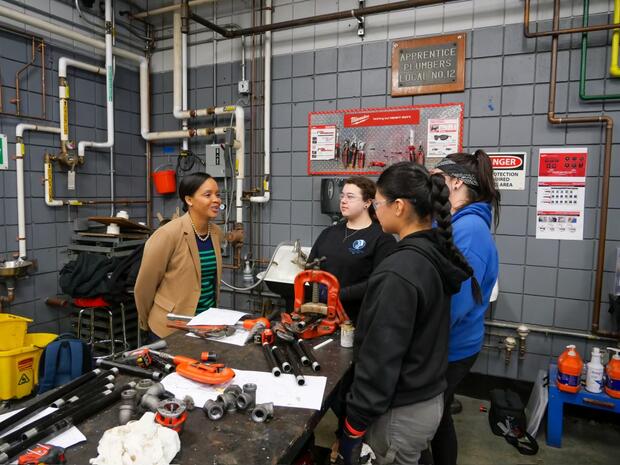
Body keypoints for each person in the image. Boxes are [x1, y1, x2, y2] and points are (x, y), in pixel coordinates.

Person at [338, 162, 479, 465]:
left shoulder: (398, 271)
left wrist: (355, 422)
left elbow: (381, 356)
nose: (375, 210)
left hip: (399, 410)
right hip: (428, 398)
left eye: (376, 203)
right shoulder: (433, 255)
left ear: (399, 206)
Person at [424, 151, 500, 465]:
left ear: (455, 183)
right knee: (438, 418)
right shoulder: (458, 222)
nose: (432, 188)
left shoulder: (468, 232)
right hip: (451, 344)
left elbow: (455, 304)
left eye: (436, 180)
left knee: (430, 421)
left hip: (451, 347)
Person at [135, 172, 223, 339]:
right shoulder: (168, 234)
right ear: (189, 200)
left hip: (205, 326)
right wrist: (146, 324)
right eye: (208, 195)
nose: (216, 200)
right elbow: (144, 287)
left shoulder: (216, 234)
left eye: (217, 195)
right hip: (169, 328)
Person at [308, 176, 396, 324]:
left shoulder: (381, 238)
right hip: (323, 315)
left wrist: (338, 294)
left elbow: (379, 282)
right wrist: (318, 289)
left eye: (350, 197)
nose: (343, 200)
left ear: (367, 203)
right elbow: (310, 266)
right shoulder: (329, 233)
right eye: (342, 196)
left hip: (358, 318)